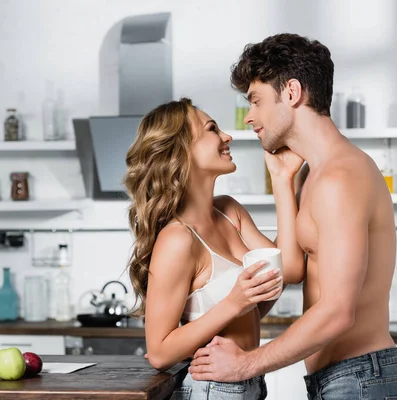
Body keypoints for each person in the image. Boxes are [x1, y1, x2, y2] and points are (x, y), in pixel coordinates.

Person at [189, 33, 397, 399]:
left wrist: (247, 363)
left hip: (361, 379)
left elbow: (338, 312)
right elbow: (289, 269)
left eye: (257, 101)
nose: (249, 118)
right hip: (343, 379)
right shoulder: (313, 174)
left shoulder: (341, 177)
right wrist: (281, 179)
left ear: (292, 92)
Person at [123, 97, 305, 399]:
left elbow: (292, 270)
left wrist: (282, 180)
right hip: (212, 388)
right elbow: (159, 352)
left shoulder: (229, 212)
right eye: (212, 129)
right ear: (182, 151)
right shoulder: (177, 239)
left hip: (249, 379)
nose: (227, 136)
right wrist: (236, 301)